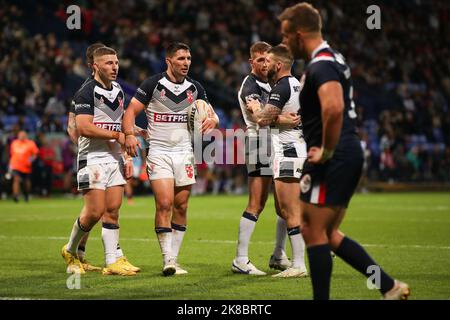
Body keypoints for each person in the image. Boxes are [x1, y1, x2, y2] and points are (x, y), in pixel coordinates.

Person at [278, 2, 410, 299]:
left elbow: (334, 107)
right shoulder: (332, 57)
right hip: (346, 151)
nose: (284, 43)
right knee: (328, 234)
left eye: (286, 36)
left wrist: (326, 150)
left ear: (300, 34)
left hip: (334, 154)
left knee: (312, 230)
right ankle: (388, 287)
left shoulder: (321, 64)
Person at [123, 42, 219, 276]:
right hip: (159, 152)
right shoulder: (153, 84)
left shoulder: (195, 88)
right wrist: (128, 135)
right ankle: (167, 259)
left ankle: (175, 260)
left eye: (188, 58)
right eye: (181, 59)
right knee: (164, 204)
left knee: (182, 206)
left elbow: (211, 113)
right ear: (169, 61)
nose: (186, 63)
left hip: (185, 152)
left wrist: (213, 120)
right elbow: (129, 112)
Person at [61, 46, 139, 276]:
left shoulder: (118, 90)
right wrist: (117, 136)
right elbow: (83, 127)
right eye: (108, 63)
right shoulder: (86, 92)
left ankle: (112, 262)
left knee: (113, 210)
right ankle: (70, 250)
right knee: (94, 212)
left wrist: (132, 138)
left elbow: (119, 124)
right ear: (95, 66)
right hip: (92, 157)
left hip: (114, 157)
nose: (114, 67)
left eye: (116, 63)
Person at [231, 41, 298, 276]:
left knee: (283, 206)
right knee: (257, 203)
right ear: (251, 62)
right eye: (259, 60)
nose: (264, 64)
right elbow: (260, 117)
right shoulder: (250, 86)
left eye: (266, 60)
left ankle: (279, 255)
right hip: (259, 144)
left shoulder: (272, 82)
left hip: (277, 145)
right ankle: (240, 259)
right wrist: (284, 120)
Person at [248, 45, 308, 278]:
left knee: (289, 210)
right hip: (295, 147)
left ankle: (299, 264)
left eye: (270, 61)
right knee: (283, 209)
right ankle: (284, 255)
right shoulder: (297, 85)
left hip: (288, 150)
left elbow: (263, 119)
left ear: (279, 65)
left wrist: (255, 108)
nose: (266, 65)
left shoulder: (281, 87)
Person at [9, 130, 39, 203]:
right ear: (18, 136)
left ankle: (27, 194)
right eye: (20, 135)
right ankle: (15, 196)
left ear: (26, 136)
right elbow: (12, 154)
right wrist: (10, 165)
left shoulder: (30, 143)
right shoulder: (14, 143)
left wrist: (30, 161)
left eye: (23, 135)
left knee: (26, 182)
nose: (21, 136)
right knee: (16, 179)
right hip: (15, 165)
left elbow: (35, 154)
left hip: (26, 166)